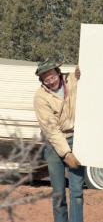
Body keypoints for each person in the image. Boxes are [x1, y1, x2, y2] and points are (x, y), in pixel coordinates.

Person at [33, 58, 84, 222]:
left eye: (52, 76)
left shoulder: (73, 79)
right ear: (42, 81)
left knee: (77, 192)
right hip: (55, 145)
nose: (51, 81)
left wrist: (83, 72)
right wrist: (66, 153)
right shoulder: (40, 98)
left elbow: (90, 77)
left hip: (77, 139)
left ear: (58, 73)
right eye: (46, 79)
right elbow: (51, 130)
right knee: (58, 194)